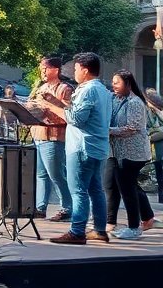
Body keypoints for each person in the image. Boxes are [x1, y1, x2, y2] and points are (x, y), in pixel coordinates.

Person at [41, 52, 112, 245]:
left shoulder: (86, 90)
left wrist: (52, 108)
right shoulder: (103, 90)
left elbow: (76, 119)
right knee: (96, 190)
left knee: (78, 190)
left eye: (76, 68)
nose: (74, 72)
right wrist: (56, 102)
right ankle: (99, 230)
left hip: (82, 147)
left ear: (85, 70)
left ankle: (77, 231)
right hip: (97, 147)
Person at [103, 70, 153, 239]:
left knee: (127, 189)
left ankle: (134, 227)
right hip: (117, 152)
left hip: (133, 153)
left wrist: (107, 131)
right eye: (113, 82)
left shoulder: (134, 102)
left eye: (117, 82)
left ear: (128, 84)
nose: (113, 85)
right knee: (115, 184)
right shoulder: (115, 99)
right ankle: (143, 218)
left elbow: (132, 128)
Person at [27, 56, 74, 221]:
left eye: (45, 68)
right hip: (38, 134)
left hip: (54, 136)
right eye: (41, 68)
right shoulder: (40, 87)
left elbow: (69, 114)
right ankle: (40, 207)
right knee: (41, 174)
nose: (42, 71)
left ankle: (67, 208)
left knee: (56, 174)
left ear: (55, 70)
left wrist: (51, 103)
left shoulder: (65, 89)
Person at [146, 89, 163, 205]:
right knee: (160, 175)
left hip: (159, 149)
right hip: (156, 151)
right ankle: (161, 199)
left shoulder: (159, 112)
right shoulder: (145, 112)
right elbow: (147, 133)